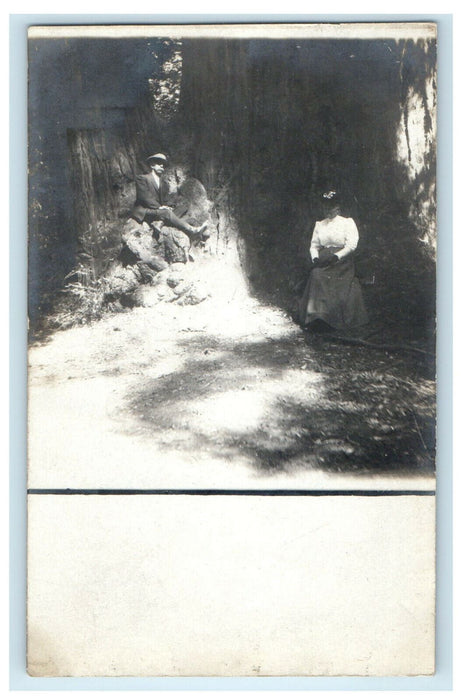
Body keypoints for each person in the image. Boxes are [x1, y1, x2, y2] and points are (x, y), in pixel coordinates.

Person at [299, 191, 368, 331]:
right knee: (316, 274)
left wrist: (338, 256)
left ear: (338, 207)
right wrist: (315, 258)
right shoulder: (320, 225)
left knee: (331, 278)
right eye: (325, 207)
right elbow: (314, 246)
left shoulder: (347, 222)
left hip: (342, 262)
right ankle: (317, 317)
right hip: (324, 259)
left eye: (331, 207)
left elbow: (351, 245)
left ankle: (333, 320)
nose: (327, 210)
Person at [132, 153, 209, 241]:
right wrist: (160, 207)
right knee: (167, 213)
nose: (162, 165)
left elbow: (165, 199)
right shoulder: (142, 178)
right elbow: (144, 197)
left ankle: (160, 222)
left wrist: (169, 205)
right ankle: (192, 230)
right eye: (159, 163)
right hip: (145, 211)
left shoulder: (163, 183)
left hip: (158, 211)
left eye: (163, 164)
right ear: (152, 165)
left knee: (183, 207)